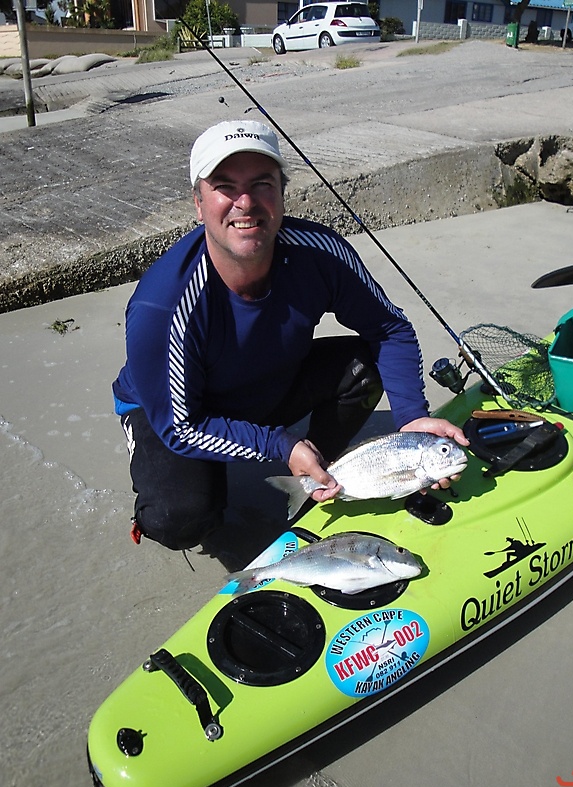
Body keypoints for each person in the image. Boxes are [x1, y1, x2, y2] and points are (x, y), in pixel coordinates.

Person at [113, 119, 468, 551]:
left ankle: (319, 473)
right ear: (198, 202)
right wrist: (278, 443)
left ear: (282, 193)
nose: (245, 203)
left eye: (262, 184)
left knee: (364, 367)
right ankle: (222, 468)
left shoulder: (319, 252)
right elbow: (180, 426)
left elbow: (388, 328)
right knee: (179, 519)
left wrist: (411, 417)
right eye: (225, 186)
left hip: (268, 385)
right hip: (179, 410)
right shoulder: (162, 307)